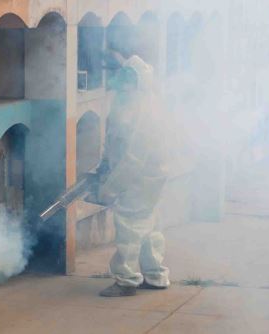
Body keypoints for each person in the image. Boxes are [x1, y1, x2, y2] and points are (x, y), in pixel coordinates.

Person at [92, 53, 171, 297]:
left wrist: (111, 187)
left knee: (129, 225)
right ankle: (156, 276)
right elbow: (114, 140)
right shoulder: (124, 102)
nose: (120, 82)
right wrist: (105, 165)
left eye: (127, 78)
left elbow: (134, 158)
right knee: (149, 226)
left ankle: (126, 280)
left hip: (142, 178)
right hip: (144, 176)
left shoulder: (145, 110)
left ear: (138, 82)